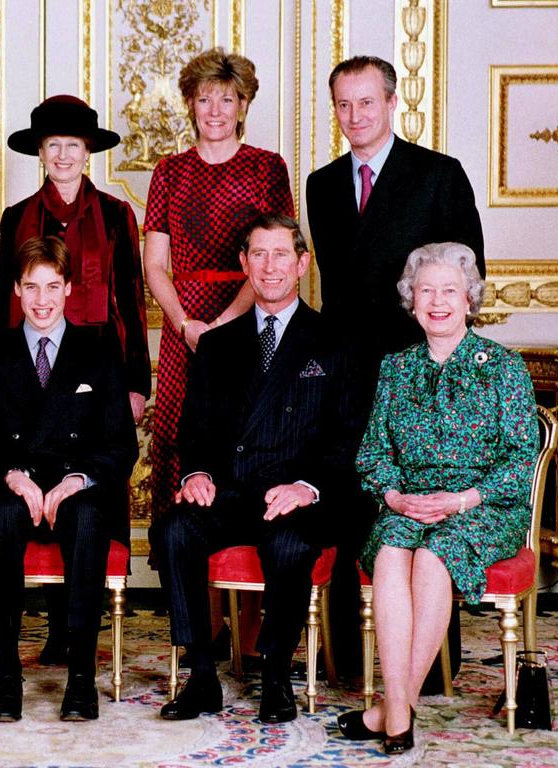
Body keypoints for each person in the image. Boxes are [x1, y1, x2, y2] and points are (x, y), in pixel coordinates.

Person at [305, 54, 485, 680]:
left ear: (391, 102)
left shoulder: (438, 175)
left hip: (422, 377)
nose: (354, 116)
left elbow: (466, 284)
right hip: (348, 376)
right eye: (343, 104)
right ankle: (352, 666)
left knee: (423, 512)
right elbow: (332, 290)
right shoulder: (322, 183)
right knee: (357, 505)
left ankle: (425, 669)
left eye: (366, 102)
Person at [151, 214, 365, 723]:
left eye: (282, 255)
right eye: (259, 255)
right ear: (244, 263)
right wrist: (195, 474)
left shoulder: (335, 339)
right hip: (234, 491)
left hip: (301, 496)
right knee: (173, 530)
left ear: (302, 264)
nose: (270, 267)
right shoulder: (217, 344)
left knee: (289, 545)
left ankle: (274, 674)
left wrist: (307, 487)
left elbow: (348, 435)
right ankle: (202, 674)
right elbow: (194, 430)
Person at [339, 242, 537, 754]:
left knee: (432, 557)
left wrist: (463, 499)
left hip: (483, 506)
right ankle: (399, 711)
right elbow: (373, 452)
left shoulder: (503, 366)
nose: (437, 300)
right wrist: (395, 496)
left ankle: (391, 710)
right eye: (426, 290)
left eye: (450, 289)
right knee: (389, 553)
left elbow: (520, 461)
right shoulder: (396, 368)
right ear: (411, 299)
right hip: (409, 501)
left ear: (470, 298)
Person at [0, 94, 150, 664]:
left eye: (74, 146)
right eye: (53, 145)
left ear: (88, 154)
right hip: (32, 372)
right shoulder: (17, 217)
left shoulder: (115, 214)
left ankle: (73, 631)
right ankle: (48, 626)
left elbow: (130, 301)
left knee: (83, 491)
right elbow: (1, 307)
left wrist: (135, 383)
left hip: (97, 379)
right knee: (35, 487)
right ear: (40, 152)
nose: (63, 155)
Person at [0, 236, 138, 722]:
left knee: (86, 518)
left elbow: (122, 444)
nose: (42, 300)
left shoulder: (98, 352)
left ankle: (81, 676)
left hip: (75, 491)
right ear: (15, 289)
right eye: (32, 287)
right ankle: (9, 674)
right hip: (12, 489)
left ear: (69, 288)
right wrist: (13, 476)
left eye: (52, 286)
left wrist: (77, 479)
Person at [144, 47, 294, 526]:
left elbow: (274, 259)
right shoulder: (169, 171)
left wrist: (223, 327)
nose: (215, 111)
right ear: (190, 103)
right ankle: (181, 568)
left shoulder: (267, 167)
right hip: (182, 324)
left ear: (244, 106)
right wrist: (189, 326)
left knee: (247, 431)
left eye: (226, 100)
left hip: (251, 316)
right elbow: (154, 265)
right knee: (175, 431)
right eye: (205, 99)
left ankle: (246, 581)